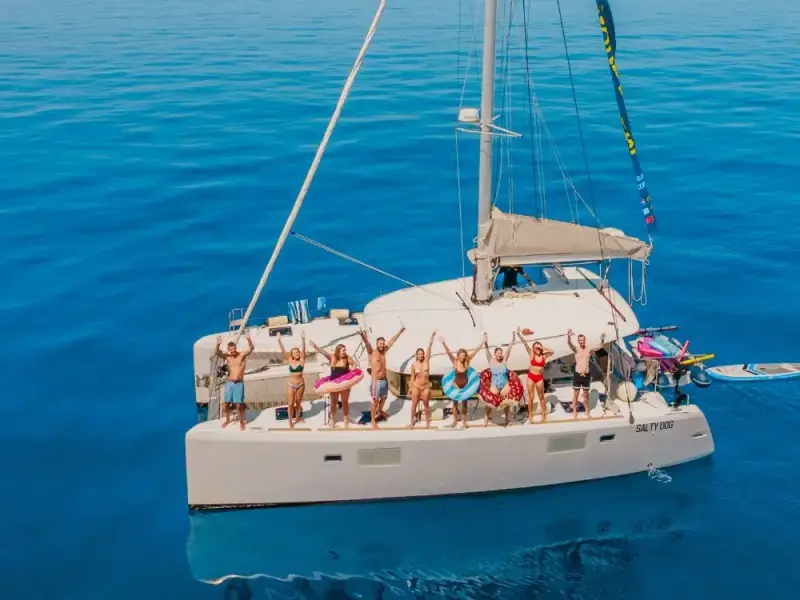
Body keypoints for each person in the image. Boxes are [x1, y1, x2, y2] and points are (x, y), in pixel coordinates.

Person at [357, 323, 406, 428]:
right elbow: (367, 344)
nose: (382, 345)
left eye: (383, 343)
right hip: (376, 382)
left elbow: (392, 341)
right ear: (377, 344)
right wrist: (362, 336)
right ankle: (373, 420)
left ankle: (380, 411)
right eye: (380, 343)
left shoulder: (384, 351)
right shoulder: (372, 353)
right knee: (375, 401)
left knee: (384, 398)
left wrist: (400, 332)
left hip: (384, 380)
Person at [308, 341, 358, 428]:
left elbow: (354, 364)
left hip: (344, 384)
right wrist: (315, 346)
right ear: (338, 351)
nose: (345, 352)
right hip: (334, 384)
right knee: (333, 402)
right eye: (343, 350)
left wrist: (351, 373)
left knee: (345, 402)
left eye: (345, 350)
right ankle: (332, 419)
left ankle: (345, 419)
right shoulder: (332, 357)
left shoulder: (346, 358)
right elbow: (323, 352)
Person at [439, 334, 484, 428]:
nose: (463, 358)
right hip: (456, 384)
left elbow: (475, 352)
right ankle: (455, 421)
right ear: (458, 356)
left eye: (464, 356)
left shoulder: (467, 361)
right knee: (455, 403)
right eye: (461, 356)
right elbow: (448, 353)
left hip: (465, 384)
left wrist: (483, 342)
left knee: (464, 403)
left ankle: (464, 421)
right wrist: (443, 343)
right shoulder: (455, 362)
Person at [215, 333, 255, 431]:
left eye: (234, 349)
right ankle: (228, 419)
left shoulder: (241, 355)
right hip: (229, 383)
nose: (233, 351)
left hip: (239, 384)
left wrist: (249, 340)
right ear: (229, 350)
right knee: (226, 403)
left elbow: (251, 349)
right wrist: (218, 344)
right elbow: (217, 352)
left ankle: (241, 421)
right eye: (231, 349)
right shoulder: (227, 357)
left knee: (238, 405)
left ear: (236, 348)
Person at [516, 327, 554, 424]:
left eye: (539, 347)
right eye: (536, 347)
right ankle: (530, 416)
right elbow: (525, 343)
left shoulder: (543, 355)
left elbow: (552, 351)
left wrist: (542, 348)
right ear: (533, 348)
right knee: (531, 397)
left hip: (539, 378)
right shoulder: (531, 353)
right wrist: (519, 334)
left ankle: (544, 414)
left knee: (541, 397)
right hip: (531, 377)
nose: (537, 349)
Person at [566, 329, 607, 419]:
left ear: (585, 340)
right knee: (576, 394)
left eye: (583, 340)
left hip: (587, 375)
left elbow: (600, 347)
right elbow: (569, 344)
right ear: (578, 341)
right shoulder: (576, 349)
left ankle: (586, 410)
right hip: (578, 375)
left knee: (586, 395)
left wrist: (602, 339)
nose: (581, 342)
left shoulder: (589, 350)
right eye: (580, 340)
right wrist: (568, 337)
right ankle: (575, 411)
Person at [484, 331, 516, 427]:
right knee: (490, 402)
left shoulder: (504, 360)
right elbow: (486, 350)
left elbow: (509, 349)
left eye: (500, 353)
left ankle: (507, 418)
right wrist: (485, 342)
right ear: (494, 354)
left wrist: (513, 339)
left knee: (506, 402)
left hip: (504, 384)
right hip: (495, 384)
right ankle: (486, 418)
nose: (499, 354)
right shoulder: (491, 360)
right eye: (497, 353)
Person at [276, 331, 307, 428]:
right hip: (291, 385)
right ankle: (290, 421)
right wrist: (279, 340)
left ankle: (297, 417)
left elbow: (304, 349)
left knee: (298, 402)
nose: (297, 354)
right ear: (292, 355)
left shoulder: (302, 360)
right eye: (294, 353)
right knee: (290, 403)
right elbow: (283, 351)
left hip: (301, 384)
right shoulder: (289, 360)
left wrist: (303, 339)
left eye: (297, 352)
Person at [409, 331, 436, 429]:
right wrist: (411, 388)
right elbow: (412, 377)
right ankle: (411, 422)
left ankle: (427, 422)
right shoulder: (413, 365)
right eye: (419, 354)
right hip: (416, 385)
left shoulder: (426, 361)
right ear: (416, 355)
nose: (421, 355)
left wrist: (432, 337)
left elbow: (429, 348)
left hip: (425, 386)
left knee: (426, 404)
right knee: (414, 404)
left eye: (422, 354)